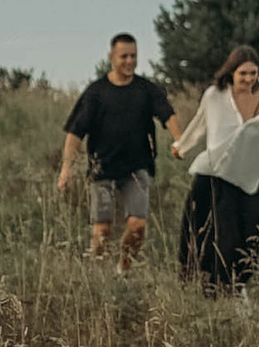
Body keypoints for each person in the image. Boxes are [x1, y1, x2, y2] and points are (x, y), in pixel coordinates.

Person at [171, 43, 259, 290]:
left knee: (247, 237)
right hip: (214, 176)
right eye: (243, 73)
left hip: (250, 181)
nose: (249, 79)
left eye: (253, 73)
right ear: (231, 72)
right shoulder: (214, 96)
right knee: (209, 233)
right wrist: (182, 146)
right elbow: (199, 124)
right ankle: (209, 289)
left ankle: (236, 288)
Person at [58, 34, 179, 268]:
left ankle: (123, 270)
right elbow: (75, 132)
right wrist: (67, 168)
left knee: (138, 225)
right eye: (124, 56)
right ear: (112, 57)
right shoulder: (96, 92)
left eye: (133, 56)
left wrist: (179, 141)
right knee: (102, 229)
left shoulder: (146, 89)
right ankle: (99, 272)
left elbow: (168, 114)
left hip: (137, 168)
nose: (129, 61)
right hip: (102, 170)